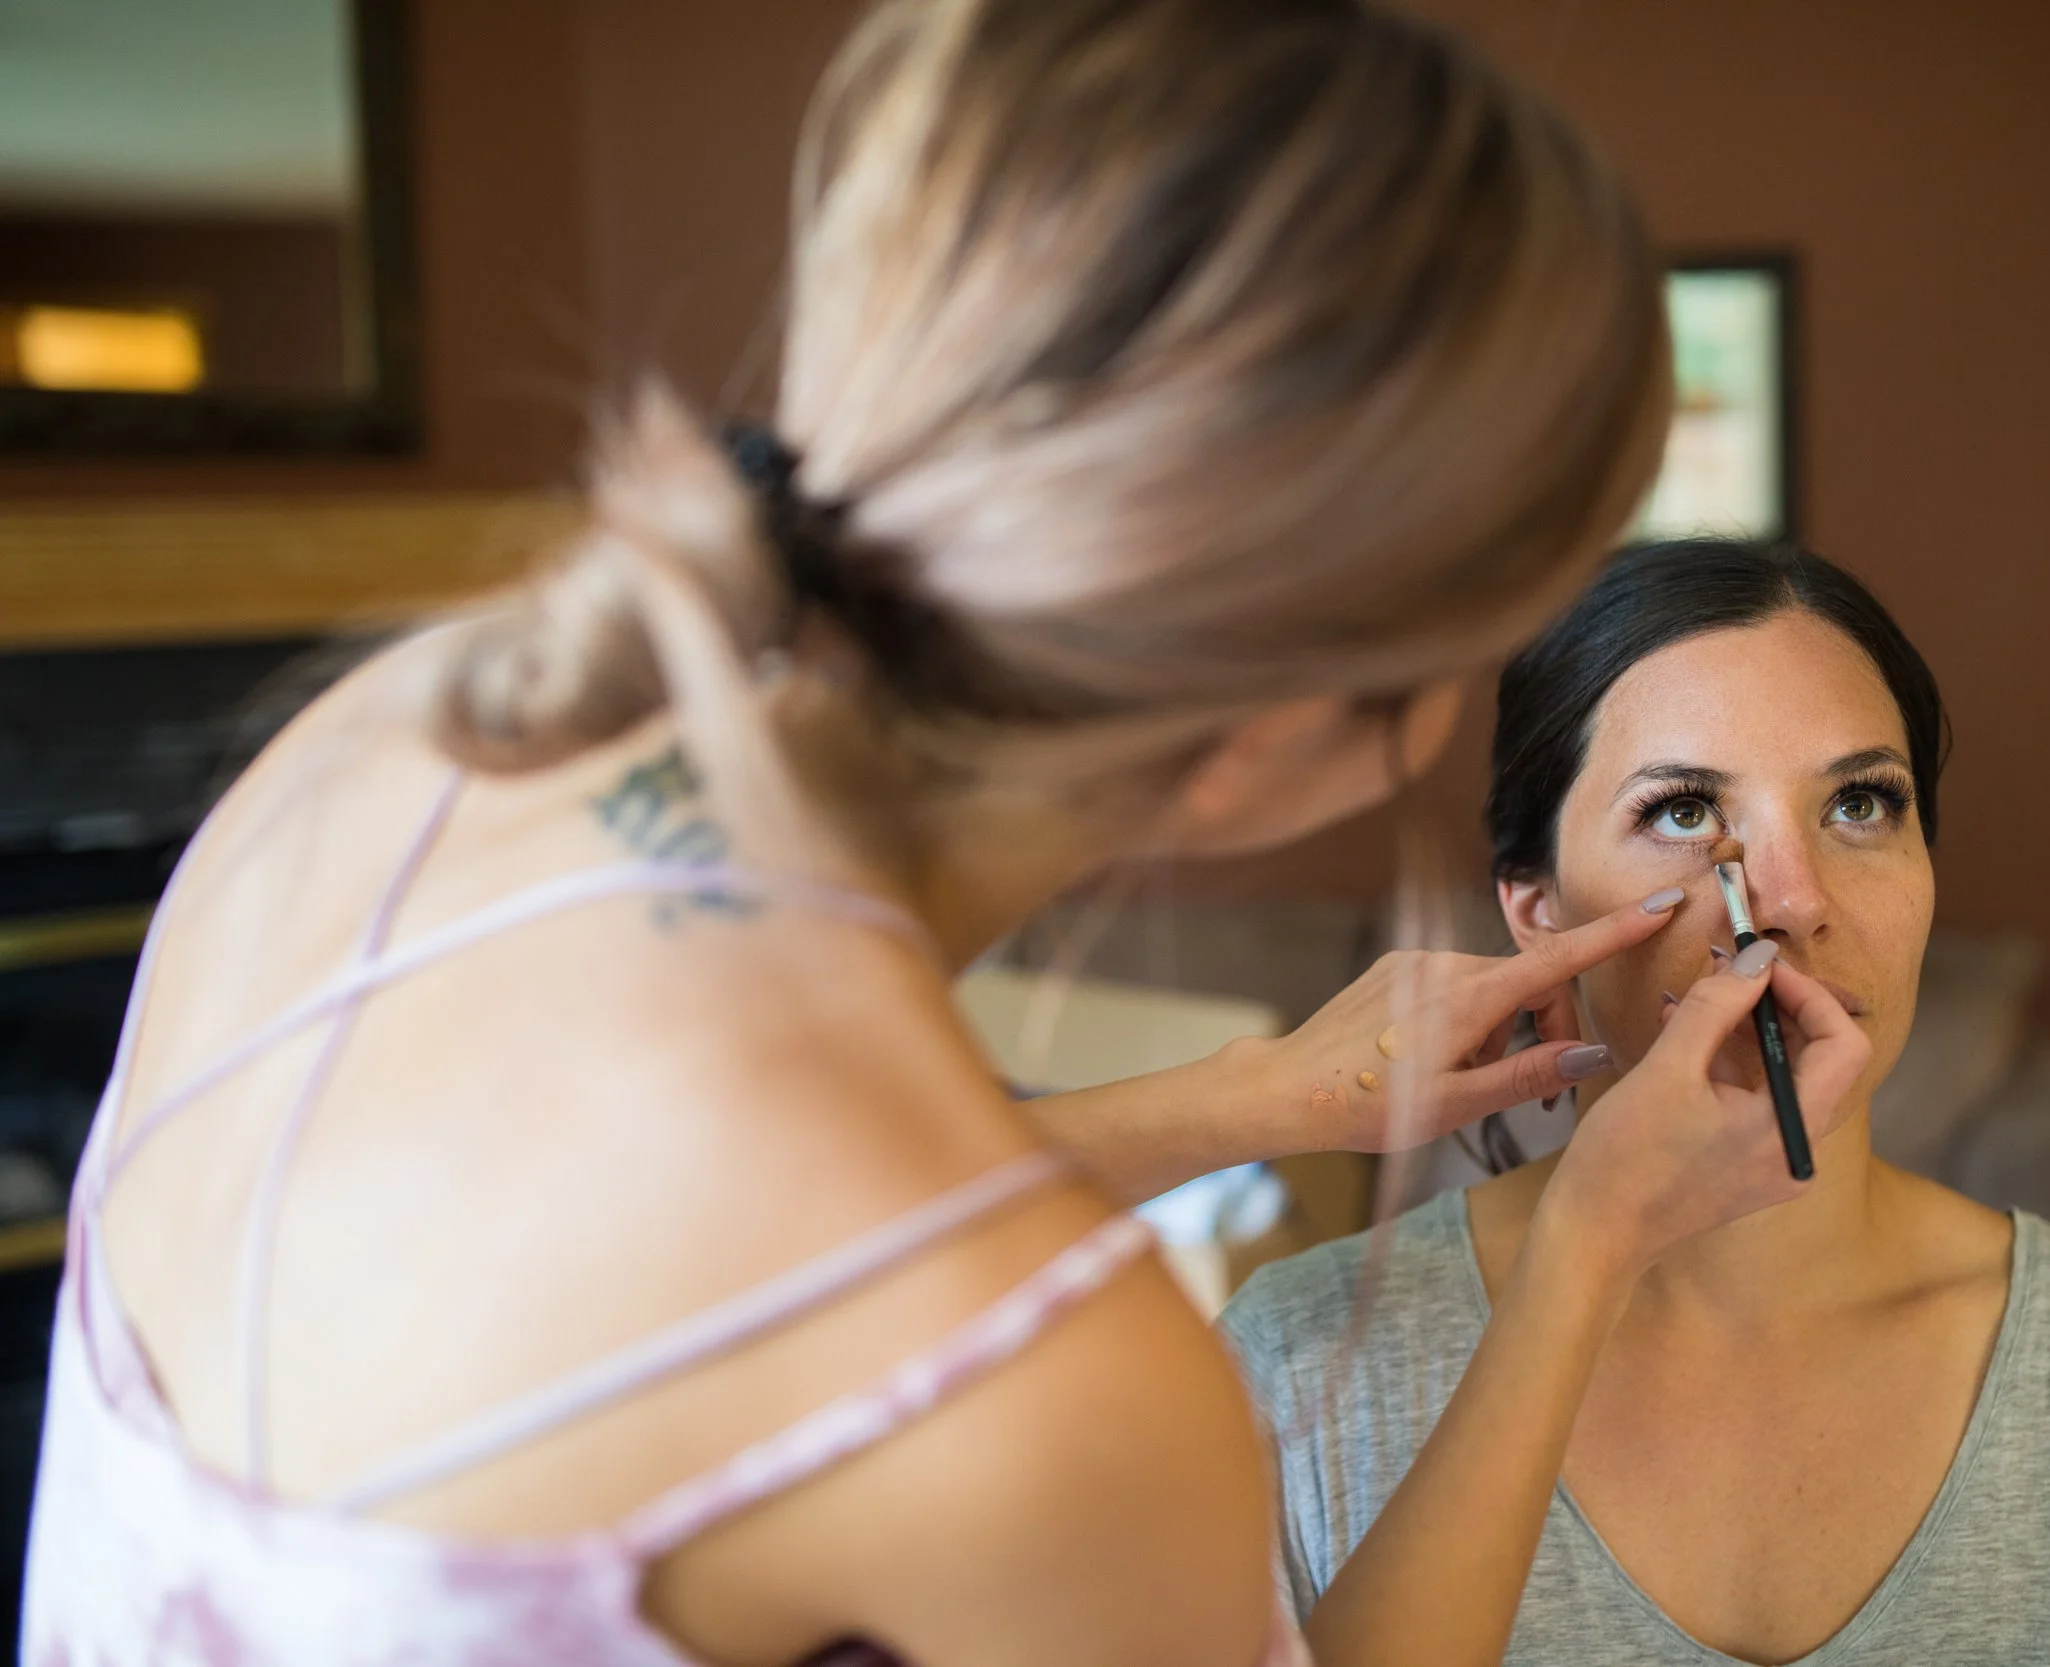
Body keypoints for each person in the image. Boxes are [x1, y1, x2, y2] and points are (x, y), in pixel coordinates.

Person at [22, 2, 1706, 1663]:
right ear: (1273, 739)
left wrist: (1250, 1102)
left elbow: (659, 1263)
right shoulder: (1050, 1405)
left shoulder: (395, 738)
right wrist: (1584, 1251)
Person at [1222, 539, 2050, 1667]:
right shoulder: (1295, 1367)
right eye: (1684, 809)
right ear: (1537, 912)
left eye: (1862, 803)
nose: (1786, 899)